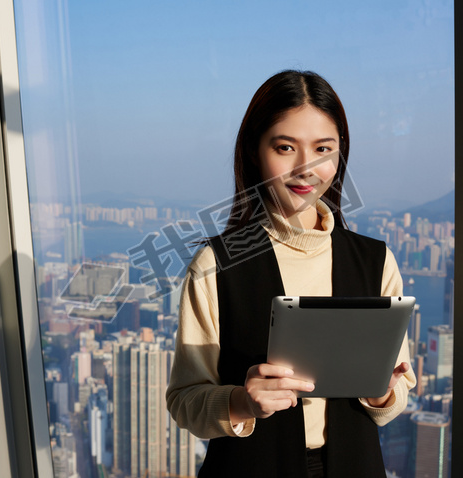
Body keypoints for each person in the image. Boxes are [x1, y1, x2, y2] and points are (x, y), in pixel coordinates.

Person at [166, 70, 416, 477]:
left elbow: (395, 398)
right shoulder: (217, 265)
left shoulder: (374, 260)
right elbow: (184, 402)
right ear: (253, 151)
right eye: (285, 147)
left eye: (323, 149)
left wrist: (384, 390)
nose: (307, 168)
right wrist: (243, 403)